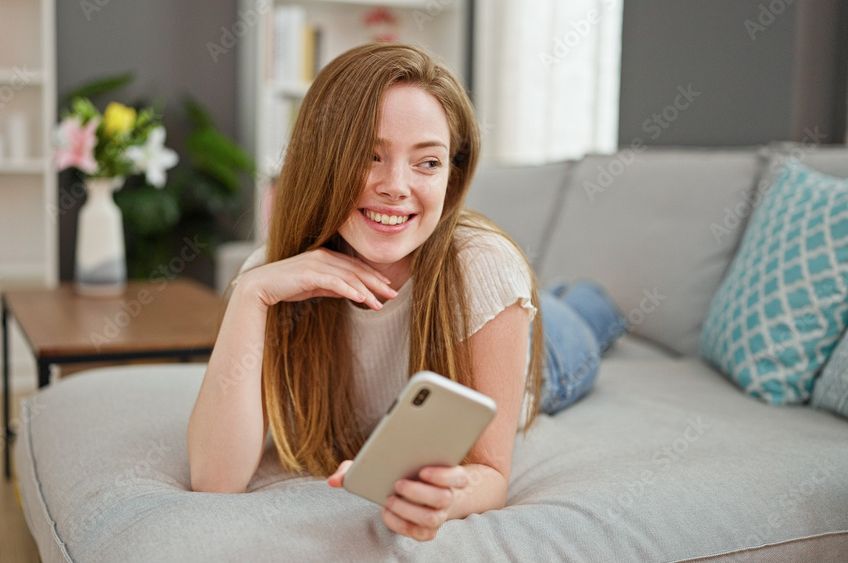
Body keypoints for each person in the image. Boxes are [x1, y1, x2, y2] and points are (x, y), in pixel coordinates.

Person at [187, 42, 625, 542]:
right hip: (494, 307)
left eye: (428, 162)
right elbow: (214, 479)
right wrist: (250, 294)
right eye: (369, 156)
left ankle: (586, 300)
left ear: (451, 175)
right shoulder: (270, 273)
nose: (396, 186)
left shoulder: (486, 268)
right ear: (320, 161)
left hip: (545, 355)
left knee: (586, 315)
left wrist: (446, 499)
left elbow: (491, 475)